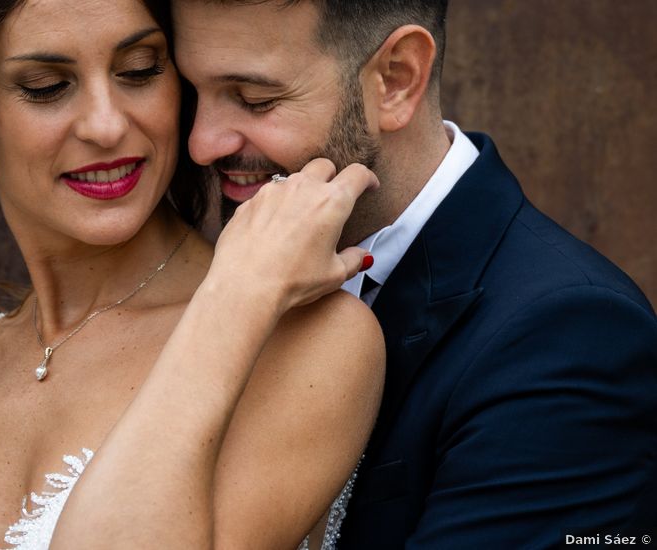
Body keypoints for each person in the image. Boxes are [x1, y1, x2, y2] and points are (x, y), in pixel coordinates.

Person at [0, 1, 386, 549]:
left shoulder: (312, 343)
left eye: (139, 70)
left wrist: (234, 299)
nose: (107, 125)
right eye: (46, 87)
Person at [171, 0, 657, 547]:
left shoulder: (571, 336)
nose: (201, 142)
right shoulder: (190, 269)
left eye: (255, 100)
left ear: (397, 80)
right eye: (191, 94)